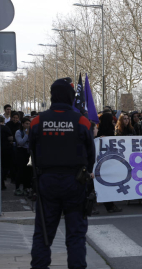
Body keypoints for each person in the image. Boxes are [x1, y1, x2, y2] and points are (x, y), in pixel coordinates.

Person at [30, 78, 96, 269]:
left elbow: (31, 150)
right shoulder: (82, 121)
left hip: (46, 182)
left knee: (43, 233)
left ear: (52, 96)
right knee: (76, 235)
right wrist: (86, 173)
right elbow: (91, 153)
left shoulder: (37, 121)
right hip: (75, 182)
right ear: (69, 97)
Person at [97, 113, 123, 213]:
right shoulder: (107, 131)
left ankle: (109, 205)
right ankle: (110, 205)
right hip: (107, 162)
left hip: (103, 161)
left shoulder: (100, 131)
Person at [14, 118, 31, 196]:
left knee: (27, 171)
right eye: (26, 123)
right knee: (20, 170)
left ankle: (26, 187)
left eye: (29, 123)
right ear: (23, 124)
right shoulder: (18, 132)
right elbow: (20, 142)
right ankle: (17, 188)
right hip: (21, 152)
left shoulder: (30, 131)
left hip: (28, 152)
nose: (28, 125)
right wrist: (27, 135)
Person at [1, 116, 13, 190]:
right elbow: (10, 139)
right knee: (4, 167)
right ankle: (2, 182)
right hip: (5, 150)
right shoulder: (6, 128)